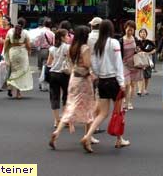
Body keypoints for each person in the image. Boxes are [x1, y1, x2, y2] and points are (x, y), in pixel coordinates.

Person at [81, 19, 129, 152]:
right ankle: (119, 139)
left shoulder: (97, 45)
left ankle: (88, 135)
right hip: (114, 81)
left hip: (102, 81)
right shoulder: (114, 43)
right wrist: (122, 83)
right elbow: (118, 64)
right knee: (118, 112)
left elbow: (94, 66)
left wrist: (98, 74)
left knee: (102, 113)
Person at [49, 26, 96, 152]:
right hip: (84, 80)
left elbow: (70, 63)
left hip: (73, 78)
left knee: (70, 106)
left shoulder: (72, 48)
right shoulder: (84, 48)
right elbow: (87, 64)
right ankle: (87, 137)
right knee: (88, 107)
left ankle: (57, 132)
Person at [47, 29, 71, 129]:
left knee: (54, 96)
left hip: (53, 74)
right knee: (66, 96)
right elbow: (70, 60)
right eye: (67, 36)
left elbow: (49, 62)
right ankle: (65, 120)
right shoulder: (68, 47)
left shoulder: (52, 49)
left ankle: (56, 120)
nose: (69, 37)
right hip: (64, 73)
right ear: (62, 37)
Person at [4, 18, 33, 99]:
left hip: (12, 52)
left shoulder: (10, 31)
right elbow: (28, 45)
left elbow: (6, 42)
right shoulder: (25, 32)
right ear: (24, 25)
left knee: (13, 70)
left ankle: (10, 85)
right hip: (22, 53)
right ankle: (18, 93)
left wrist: (5, 52)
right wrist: (29, 51)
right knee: (21, 72)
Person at [120, 20, 142, 110]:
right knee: (126, 84)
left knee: (133, 84)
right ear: (125, 29)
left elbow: (139, 50)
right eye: (128, 29)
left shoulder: (136, 40)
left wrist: (139, 50)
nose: (130, 32)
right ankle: (125, 101)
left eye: (132, 30)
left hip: (134, 64)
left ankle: (129, 102)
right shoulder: (121, 40)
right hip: (124, 64)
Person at [34, 17, 54, 92]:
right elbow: (54, 43)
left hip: (41, 50)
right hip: (49, 50)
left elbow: (36, 41)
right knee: (47, 67)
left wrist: (38, 47)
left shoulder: (40, 32)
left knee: (39, 67)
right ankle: (45, 84)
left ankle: (40, 83)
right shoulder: (52, 33)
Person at [138, 28, 156, 96]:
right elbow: (135, 49)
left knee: (147, 75)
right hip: (139, 59)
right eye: (141, 32)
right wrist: (139, 51)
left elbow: (155, 49)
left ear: (146, 34)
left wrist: (149, 53)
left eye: (144, 32)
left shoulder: (149, 42)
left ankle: (145, 89)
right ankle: (139, 90)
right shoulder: (137, 42)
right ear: (139, 34)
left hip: (148, 59)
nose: (143, 34)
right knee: (140, 74)